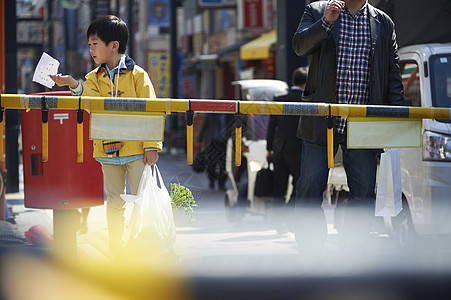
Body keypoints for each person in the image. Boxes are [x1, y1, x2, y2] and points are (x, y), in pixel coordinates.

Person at [292, 0, 405, 257]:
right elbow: (299, 47)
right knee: (309, 189)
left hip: (364, 124)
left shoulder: (383, 23)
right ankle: (311, 256)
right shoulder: (318, 11)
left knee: (364, 194)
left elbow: (392, 77)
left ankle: (353, 257)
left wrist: (395, 120)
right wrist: (326, 23)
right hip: (321, 120)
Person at [50, 15, 161, 257]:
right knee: (114, 203)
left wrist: (152, 145)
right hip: (107, 150)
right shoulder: (93, 78)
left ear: (114, 46)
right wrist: (72, 84)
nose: (91, 49)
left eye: (95, 44)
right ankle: (117, 250)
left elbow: (153, 109)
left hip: (136, 150)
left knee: (142, 201)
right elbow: (88, 100)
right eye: (89, 44)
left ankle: (143, 248)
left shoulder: (138, 75)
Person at [266, 67, 307, 233]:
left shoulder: (278, 99)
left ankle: (278, 224)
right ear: (305, 83)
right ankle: (288, 216)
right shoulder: (307, 100)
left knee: (279, 188)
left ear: (292, 82)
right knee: (298, 185)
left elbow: (271, 127)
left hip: (279, 149)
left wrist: (269, 148)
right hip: (297, 150)